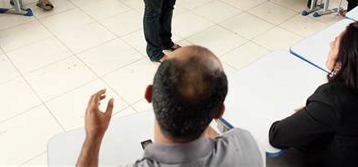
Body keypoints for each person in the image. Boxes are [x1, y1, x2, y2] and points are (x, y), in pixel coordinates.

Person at [76, 45, 265, 167]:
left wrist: (94, 136)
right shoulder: (247, 145)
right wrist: (199, 109)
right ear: (218, 112)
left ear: (150, 95)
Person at [268, 21, 358, 167]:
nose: (329, 45)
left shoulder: (333, 98)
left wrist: (314, 113)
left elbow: (277, 136)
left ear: (343, 60)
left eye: (334, 44)